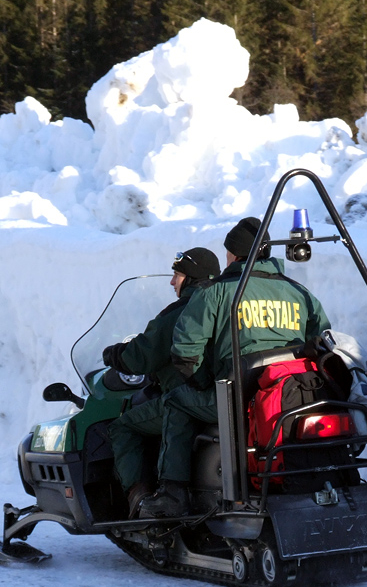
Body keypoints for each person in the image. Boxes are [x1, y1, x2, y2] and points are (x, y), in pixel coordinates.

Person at [139, 217, 332, 518]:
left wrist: (203, 383)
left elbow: (185, 351)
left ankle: (172, 493)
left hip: (238, 396)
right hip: (287, 397)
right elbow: (322, 342)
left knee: (176, 402)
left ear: (232, 254)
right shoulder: (301, 294)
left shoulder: (217, 292)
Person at [102, 247, 221, 518]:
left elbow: (141, 356)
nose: (172, 282)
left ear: (191, 279)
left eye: (177, 275)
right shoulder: (226, 302)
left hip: (194, 397)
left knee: (123, 427)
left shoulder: (181, 312)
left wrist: (114, 354)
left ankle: (140, 500)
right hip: (225, 393)